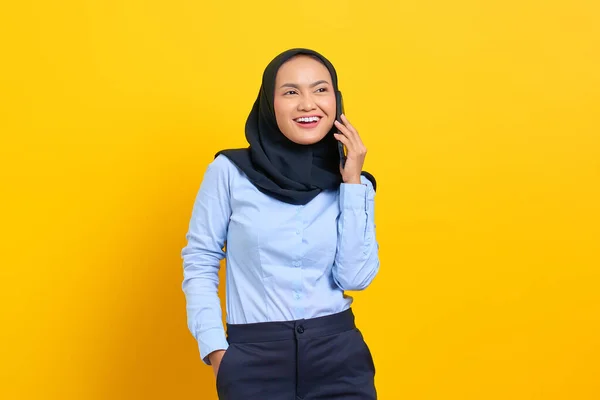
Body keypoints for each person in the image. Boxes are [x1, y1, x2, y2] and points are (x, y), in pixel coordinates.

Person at [181, 48, 380, 399]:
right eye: (291, 92)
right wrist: (216, 351)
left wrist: (352, 185)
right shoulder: (229, 172)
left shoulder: (352, 184)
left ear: (336, 99)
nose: (308, 104)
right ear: (269, 104)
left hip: (338, 358)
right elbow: (200, 260)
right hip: (254, 360)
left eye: (321, 90)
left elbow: (355, 278)